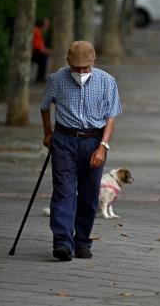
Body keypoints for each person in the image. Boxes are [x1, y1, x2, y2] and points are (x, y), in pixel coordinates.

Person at [41, 40, 122, 261]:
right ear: (68, 62)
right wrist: (48, 133)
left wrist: (103, 147)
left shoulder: (107, 81)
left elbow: (111, 116)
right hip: (64, 140)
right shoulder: (57, 79)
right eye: (76, 68)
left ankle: (82, 241)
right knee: (64, 192)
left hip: (94, 141)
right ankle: (63, 243)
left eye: (85, 68)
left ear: (93, 61)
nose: (80, 72)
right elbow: (45, 106)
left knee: (88, 196)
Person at [32, 18, 52, 83]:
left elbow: (42, 48)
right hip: (33, 52)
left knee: (44, 57)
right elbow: (40, 49)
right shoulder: (37, 32)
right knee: (43, 57)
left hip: (35, 51)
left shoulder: (38, 32)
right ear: (43, 25)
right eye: (47, 25)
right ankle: (40, 78)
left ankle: (40, 77)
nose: (48, 27)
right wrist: (52, 52)